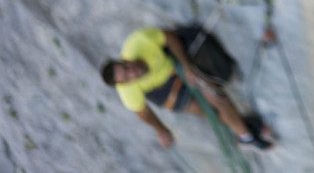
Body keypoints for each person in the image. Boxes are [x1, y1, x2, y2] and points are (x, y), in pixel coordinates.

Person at [100, 26, 273, 150]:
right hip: (162, 93)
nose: (132, 73)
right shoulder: (128, 92)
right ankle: (246, 132)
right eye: (127, 77)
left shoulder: (138, 42)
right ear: (124, 84)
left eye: (126, 68)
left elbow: (169, 37)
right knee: (207, 112)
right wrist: (162, 130)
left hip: (175, 70)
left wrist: (187, 65)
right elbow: (144, 113)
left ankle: (246, 136)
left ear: (124, 60)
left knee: (216, 97)